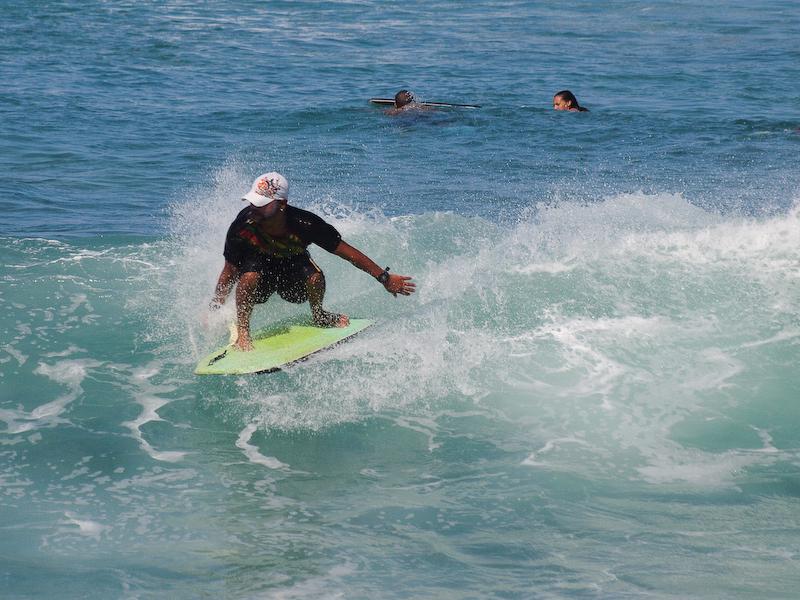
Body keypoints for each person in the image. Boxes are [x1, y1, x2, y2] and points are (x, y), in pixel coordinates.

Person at [209, 172, 416, 351]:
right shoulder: (242, 226)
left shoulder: (306, 224)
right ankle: (244, 332)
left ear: (282, 204)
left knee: (316, 277)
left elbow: (348, 253)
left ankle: (319, 315)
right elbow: (230, 270)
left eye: (261, 204)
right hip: (258, 275)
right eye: (253, 200)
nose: (254, 207)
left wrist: (385, 278)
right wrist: (215, 307)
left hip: (292, 273)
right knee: (248, 276)